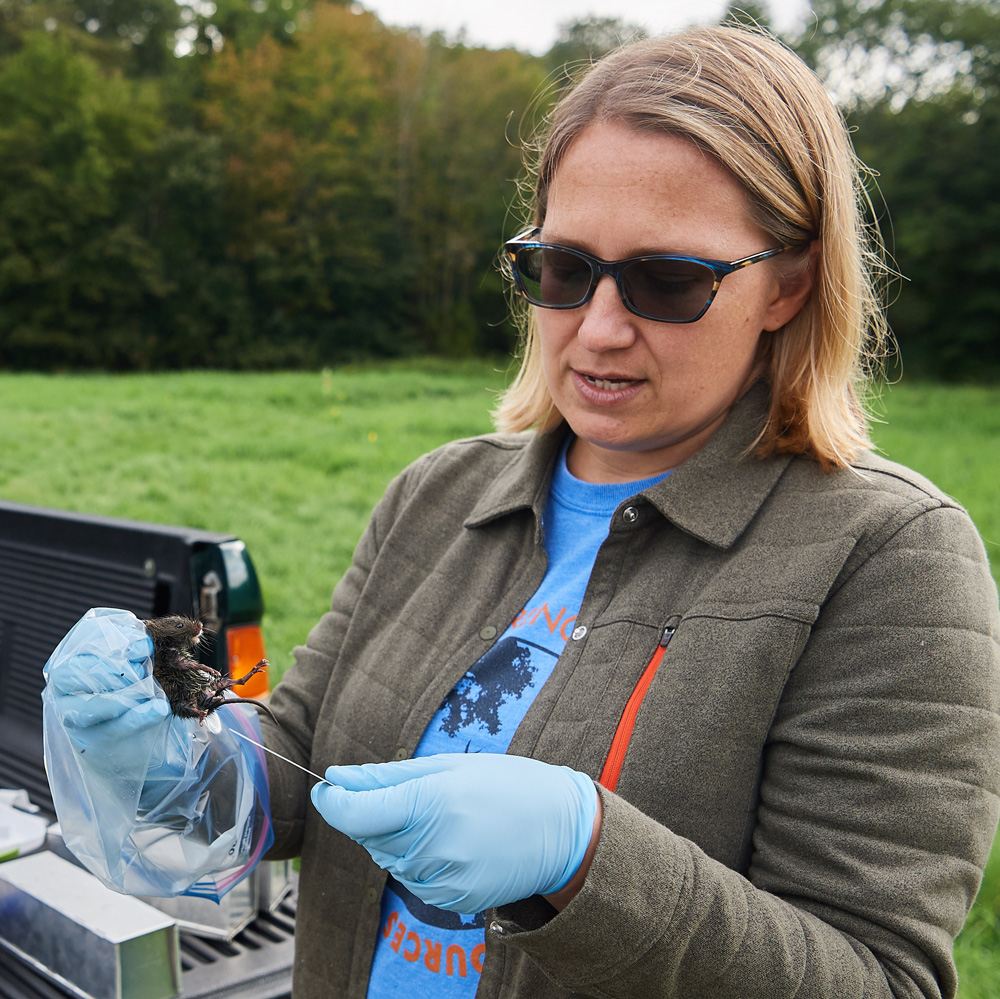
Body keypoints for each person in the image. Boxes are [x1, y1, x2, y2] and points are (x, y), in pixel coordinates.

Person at [41, 22, 1000, 999]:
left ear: (789, 284)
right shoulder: (438, 494)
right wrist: (169, 761)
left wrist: (585, 858)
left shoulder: (887, 558)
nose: (598, 328)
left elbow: (879, 980)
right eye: (563, 269)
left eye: (670, 280)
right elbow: (297, 773)